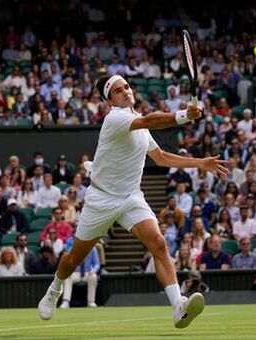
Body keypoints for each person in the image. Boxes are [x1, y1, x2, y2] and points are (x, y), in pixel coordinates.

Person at [38, 74, 229, 328]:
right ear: (110, 100)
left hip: (130, 197)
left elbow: (161, 158)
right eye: (118, 90)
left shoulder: (138, 124)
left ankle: (177, 306)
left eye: (126, 87)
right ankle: (55, 288)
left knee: (159, 244)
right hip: (101, 200)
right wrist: (183, 116)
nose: (125, 92)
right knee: (74, 258)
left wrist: (199, 163)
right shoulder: (115, 119)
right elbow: (150, 120)